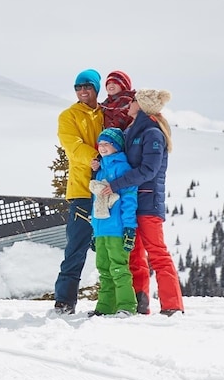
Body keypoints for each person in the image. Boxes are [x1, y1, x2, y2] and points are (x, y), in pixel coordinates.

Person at [99, 88, 185, 316]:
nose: (130, 102)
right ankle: (140, 302)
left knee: (157, 253)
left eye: (135, 100)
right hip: (132, 202)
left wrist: (117, 184)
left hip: (148, 201)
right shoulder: (131, 131)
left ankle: (172, 305)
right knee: (134, 254)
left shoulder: (152, 133)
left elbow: (149, 170)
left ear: (143, 106)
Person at [52, 68, 104, 315]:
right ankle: (64, 300)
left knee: (111, 246)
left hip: (107, 190)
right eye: (78, 87)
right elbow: (72, 146)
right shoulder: (69, 116)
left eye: (87, 86)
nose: (82, 91)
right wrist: (97, 157)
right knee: (76, 246)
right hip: (82, 190)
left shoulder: (106, 114)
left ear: (96, 89)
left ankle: (115, 298)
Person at [88, 127, 138, 316]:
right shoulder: (100, 170)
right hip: (101, 229)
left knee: (118, 268)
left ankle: (127, 306)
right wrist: (94, 231)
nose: (102, 147)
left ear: (116, 146)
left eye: (107, 144)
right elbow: (97, 202)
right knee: (104, 269)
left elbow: (129, 199)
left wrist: (129, 227)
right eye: (100, 144)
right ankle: (105, 307)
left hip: (116, 228)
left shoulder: (122, 168)